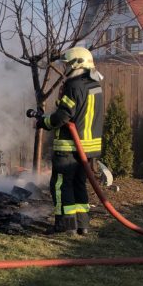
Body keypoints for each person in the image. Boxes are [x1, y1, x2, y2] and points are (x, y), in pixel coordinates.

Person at [36, 47, 104, 235]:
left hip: (68, 147)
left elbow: (62, 117)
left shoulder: (74, 86)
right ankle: (82, 225)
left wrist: (43, 122)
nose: (65, 68)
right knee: (78, 184)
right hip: (87, 149)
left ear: (76, 64)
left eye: (67, 64)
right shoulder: (95, 85)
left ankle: (65, 226)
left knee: (60, 184)